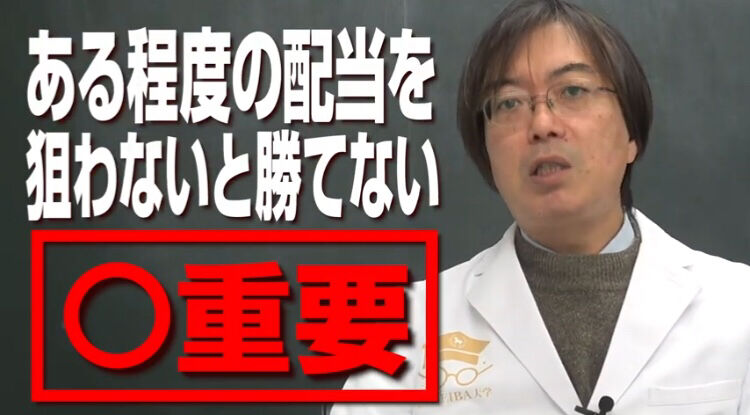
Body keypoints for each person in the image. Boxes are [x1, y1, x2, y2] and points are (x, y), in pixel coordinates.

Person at [331, 0, 750, 413]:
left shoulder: (737, 308)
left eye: (572, 91)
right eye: (509, 103)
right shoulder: (404, 330)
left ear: (631, 136)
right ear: (486, 152)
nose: (542, 124)